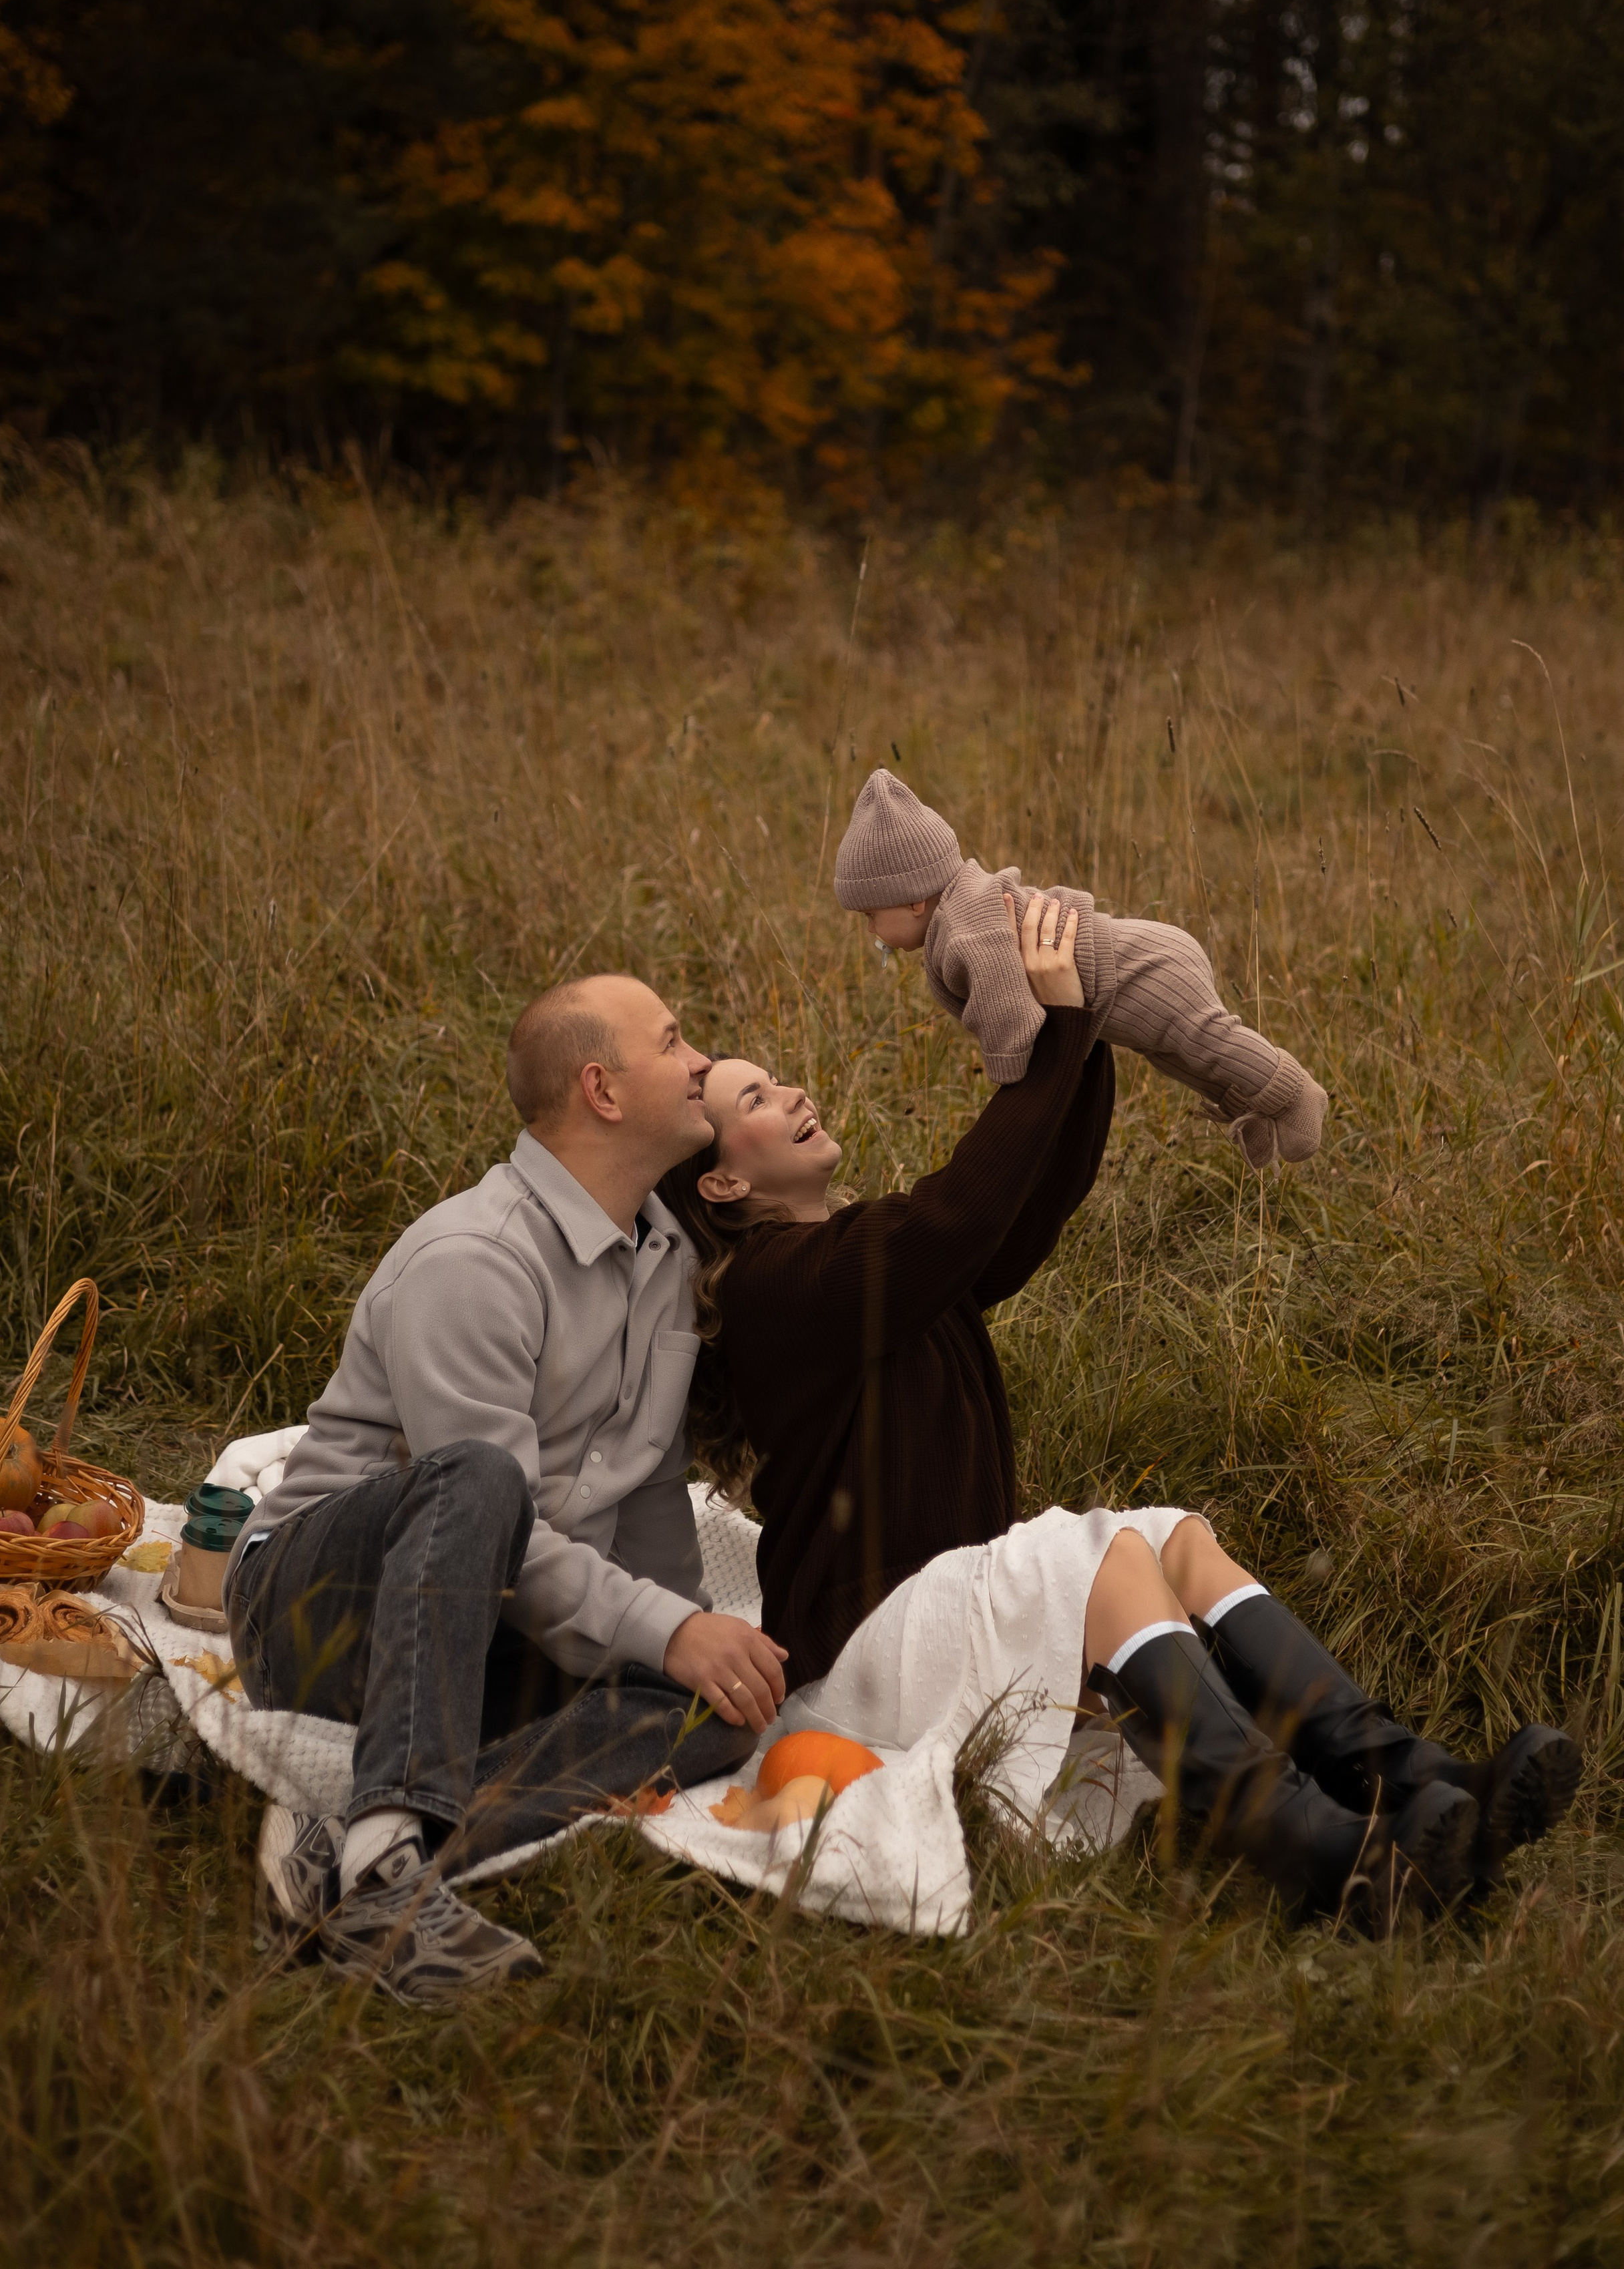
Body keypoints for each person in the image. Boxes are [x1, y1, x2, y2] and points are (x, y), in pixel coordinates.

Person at [658, 897, 1579, 1928]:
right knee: (1100, 1553)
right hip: (865, 1648)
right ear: (728, 1179)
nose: (791, 1090)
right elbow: (957, 1215)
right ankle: (1318, 1852)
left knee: (1169, 1537)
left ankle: (1405, 1778)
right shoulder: (770, 1291)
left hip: (939, 1601)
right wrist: (1056, 1032)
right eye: (755, 1095)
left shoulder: (861, 1260)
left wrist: (1080, 1022)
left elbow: (1012, 1220)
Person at [228, 974, 788, 2006]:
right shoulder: (475, 1258)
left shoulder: (659, 1256)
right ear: (603, 1091)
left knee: (717, 1706)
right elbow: (486, 1515)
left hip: (477, 1624)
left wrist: (686, 1639)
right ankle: (387, 1885)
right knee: (484, 1477)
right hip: (318, 1613)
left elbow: (653, 1484)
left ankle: (368, 1851)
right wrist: (660, 1630)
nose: (702, 1060)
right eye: (673, 1042)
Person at [833, 765, 1327, 1166]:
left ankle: (1294, 1093)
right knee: (1173, 1054)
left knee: (1205, 1037)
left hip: (1146, 969)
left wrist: (1011, 1079)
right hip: (1139, 970)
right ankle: (1255, 1113)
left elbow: (1007, 1011)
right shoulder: (960, 913)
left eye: (873, 915)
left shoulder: (967, 928)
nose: (872, 931)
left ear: (915, 899)